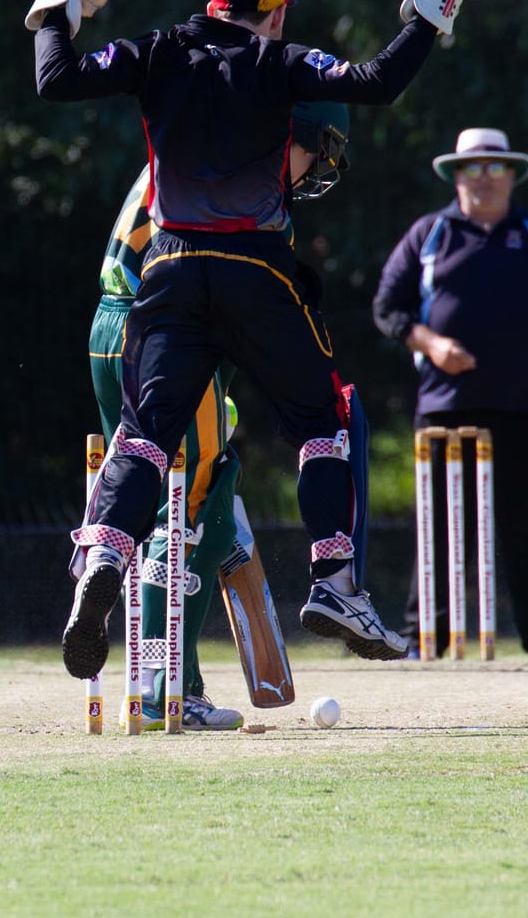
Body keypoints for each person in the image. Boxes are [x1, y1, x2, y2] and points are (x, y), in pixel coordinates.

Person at [34, 0, 472, 681]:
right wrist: (433, 10)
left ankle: (104, 550)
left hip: (168, 269)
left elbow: (57, 80)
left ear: (212, 6)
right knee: (321, 422)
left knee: (143, 437)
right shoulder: (281, 60)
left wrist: (56, 11)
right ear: (272, 14)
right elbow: (376, 80)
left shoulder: (160, 50)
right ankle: (335, 582)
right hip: (253, 266)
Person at [86, 101, 353, 730]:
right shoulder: (253, 191)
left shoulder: (198, 143)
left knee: (169, 488)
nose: (317, 167)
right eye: (317, 149)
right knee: (190, 504)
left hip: (115, 328)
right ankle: (159, 690)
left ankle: (178, 679)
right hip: (163, 328)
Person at [371, 127, 528, 658]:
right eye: (472, 168)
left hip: (525, 404)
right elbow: (388, 307)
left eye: (496, 167)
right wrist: (433, 344)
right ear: (456, 176)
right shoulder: (431, 234)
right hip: (447, 405)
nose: (485, 178)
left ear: (512, 174)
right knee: (441, 527)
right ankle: (426, 637)